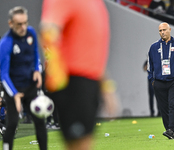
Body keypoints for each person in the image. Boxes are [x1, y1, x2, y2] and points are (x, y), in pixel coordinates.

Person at [39, 0, 118, 150]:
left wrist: (106, 87)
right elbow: (48, 31)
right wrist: (57, 74)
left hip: (90, 81)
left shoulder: (96, 3)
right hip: (73, 81)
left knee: (84, 144)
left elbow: (93, 52)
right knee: (79, 145)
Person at [0, 6, 47, 150]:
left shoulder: (31, 33)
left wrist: (37, 70)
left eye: (25, 23)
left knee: (40, 121)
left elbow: (35, 54)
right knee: (12, 123)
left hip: (30, 87)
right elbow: (4, 74)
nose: (23, 27)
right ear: (11, 24)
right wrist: (15, 95)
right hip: (14, 88)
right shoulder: (6, 43)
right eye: (19, 24)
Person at [147, 22, 174, 139]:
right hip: (159, 82)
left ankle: (171, 129)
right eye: (160, 31)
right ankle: (169, 131)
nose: (162, 32)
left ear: (170, 29)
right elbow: (150, 65)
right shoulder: (153, 47)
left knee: (173, 104)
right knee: (163, 107)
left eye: (164, 30)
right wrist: (152, 80)